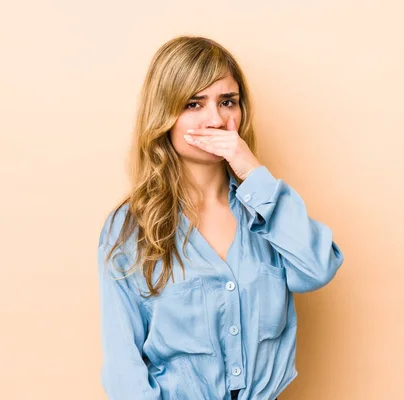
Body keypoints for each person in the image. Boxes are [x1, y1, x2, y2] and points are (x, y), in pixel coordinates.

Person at [96, 35, 345, 400]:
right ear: (165, 115)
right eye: (194, 104)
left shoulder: (265, 210)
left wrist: (252, 171)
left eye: (227, 102)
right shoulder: (130, 227)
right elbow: (123, 368)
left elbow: (317, 268)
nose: (215, 119)